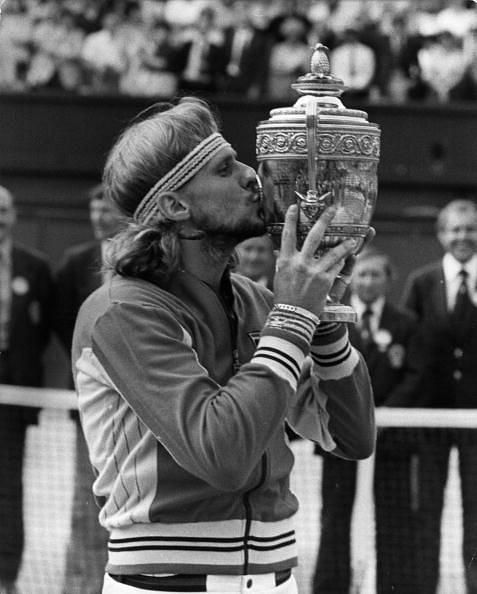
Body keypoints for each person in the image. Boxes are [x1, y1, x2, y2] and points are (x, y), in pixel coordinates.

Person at [72, 96, 375, 594]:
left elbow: (350, 439)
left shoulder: (259, 301)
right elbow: (223, 454)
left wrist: (324, 322)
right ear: (175, 206)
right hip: (167, 583)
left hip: (278, 578)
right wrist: (294, 314)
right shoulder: (121, 311)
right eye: (224, 167)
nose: (252, 176)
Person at [313, 247, 425, 594]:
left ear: (388, 280)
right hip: (341, 442)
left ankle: (394, 588)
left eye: (376, 274)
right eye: (362, 274)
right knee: (335, 520)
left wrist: (380, 417)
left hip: (393, 444)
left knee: (394, 520)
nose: (368, 280)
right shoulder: (333, 320)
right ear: (352, 279)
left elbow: (416, 375)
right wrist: (355, 419)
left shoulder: (406, 323)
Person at [401, 199, 477, 594]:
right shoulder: (422, 281)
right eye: (455, 229)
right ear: (441, 235)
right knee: (425, 511)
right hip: (430, 419)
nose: (463, 237)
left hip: (476, 423)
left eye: (470, 229)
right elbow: (411, 348)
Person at [53, 184, 123, 594]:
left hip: (133, 397)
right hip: (87, 399)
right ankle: (78, 583)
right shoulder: (75, 262)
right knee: (86, 497)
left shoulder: (139, 262)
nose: (100, 217)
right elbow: (66, 322)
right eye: (94, 211)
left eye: (107, 210)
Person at [0, 185, 54, 594]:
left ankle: (7, 576)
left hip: (12, 391)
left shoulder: (33, 266)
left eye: (4, 210)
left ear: (13, 216)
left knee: (8, 489)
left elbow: (43, 330)